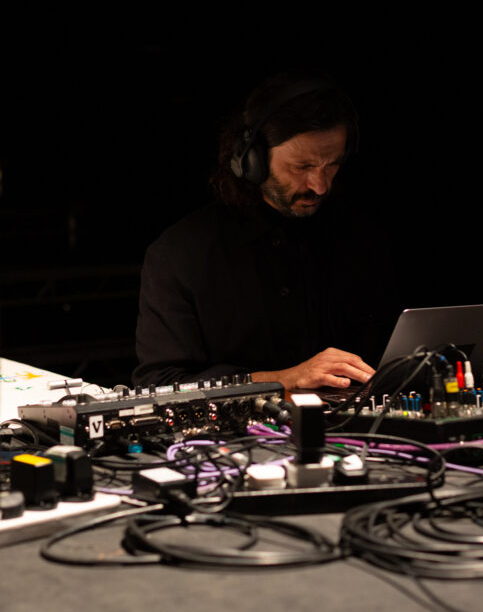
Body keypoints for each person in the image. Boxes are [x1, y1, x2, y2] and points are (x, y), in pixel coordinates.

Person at [131, 72, 400, 391]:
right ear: (252, 160)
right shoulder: (181, 254)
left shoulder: (363, 238)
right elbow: (160, 384)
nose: (320, 184)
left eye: (332, 164)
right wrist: (283, 380)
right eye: (301, 167)